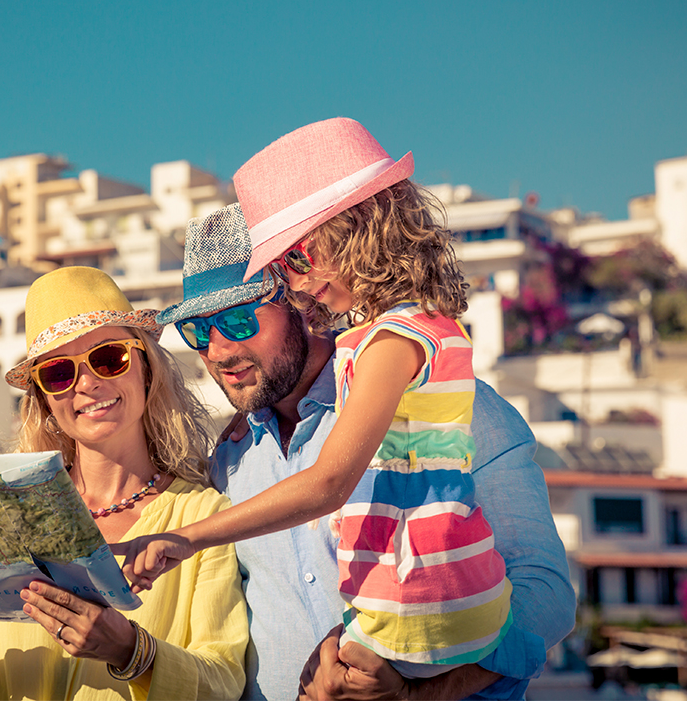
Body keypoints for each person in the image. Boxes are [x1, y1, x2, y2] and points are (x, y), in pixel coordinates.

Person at [146, 202, 573, 694]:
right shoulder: (230, 459)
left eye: (240, 321)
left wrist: (418, 693)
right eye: (197, 331)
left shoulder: (449, 406)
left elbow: (546, 597)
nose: (217, 351)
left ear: (303, 303)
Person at [0, 266, 248, 700]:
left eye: (108, 358)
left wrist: (132, 652)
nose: (88, 384)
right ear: (44, 399)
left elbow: (225, 681)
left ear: (146, 368)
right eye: (60, 372)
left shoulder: (204, 517)